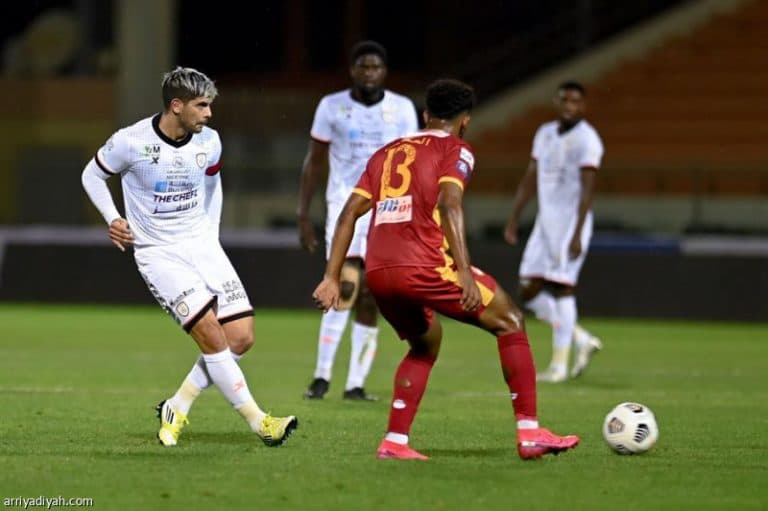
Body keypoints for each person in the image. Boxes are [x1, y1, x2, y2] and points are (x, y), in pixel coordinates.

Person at [313, 78, 580, 460]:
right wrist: (465, 271)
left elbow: (348, 214)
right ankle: (530, 432)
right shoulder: (456, 148)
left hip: (379, 272)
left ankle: (395, 442)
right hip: (425, 265)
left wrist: (331, 276)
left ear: (426, 115)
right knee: (511, 320)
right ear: (465, 120)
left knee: (425, 344)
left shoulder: (386, 153)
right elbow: (450, 203)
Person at [81, 66, 298, 447]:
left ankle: (176, 406)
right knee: (211, 335)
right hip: (159, 254)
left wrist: (211, 235)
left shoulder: (209, 142)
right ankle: (260, 422)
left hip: (202, 246)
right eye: (201, 105)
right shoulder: (131, 142)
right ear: (177, 106)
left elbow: (213, 184)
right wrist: (113, 218)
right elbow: (91, 175)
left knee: (241, 337)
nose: (209, 113)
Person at [297, 40, 419, 400]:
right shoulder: (331, 106)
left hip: (389, 209)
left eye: (375, 67)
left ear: (385, 72)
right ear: (353, 70)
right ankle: (321, 377)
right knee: (345, 284)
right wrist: (303, 213)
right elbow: (314, 160)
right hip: (345, 204)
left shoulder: (402, 109)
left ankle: (355, 384)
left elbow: (414, 164)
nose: (369, 73)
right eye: (363, 66)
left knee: (372, 294)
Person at [503, 81, 604, 383]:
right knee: (526, 289)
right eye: (564, 100)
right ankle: (580, 338)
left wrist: (577, 233)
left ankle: (559, 366)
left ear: (583, 106)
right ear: (556, 103)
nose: (569, 106)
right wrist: (514, 217)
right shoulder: (544, 133)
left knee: (562, 288)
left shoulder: (588, 139)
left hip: (570, 223)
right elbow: (530, 177)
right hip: (544, 223)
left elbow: (588, 190)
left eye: (575, 101)